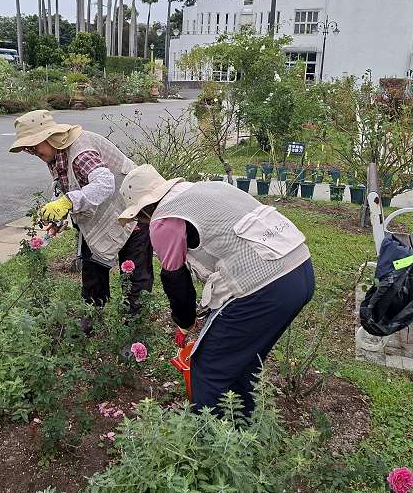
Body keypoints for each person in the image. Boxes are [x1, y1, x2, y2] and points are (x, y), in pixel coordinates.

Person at [117, 164, 315, 416]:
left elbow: (176, 280)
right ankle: (242, 430)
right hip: (300, 270)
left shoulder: (164, 220)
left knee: (207, 369)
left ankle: (212, 444)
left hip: (264, 286)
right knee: (241, 362)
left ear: (144, 209)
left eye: (138, 218)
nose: (142, 223)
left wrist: (185, 322)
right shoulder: (210, 188)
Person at [9, 110, 153, 321]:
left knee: (134, 271)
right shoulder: (55, 154)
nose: (31, 151)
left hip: (132, 210)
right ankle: (92, 315)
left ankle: (136, 325)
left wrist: (68, 201)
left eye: (34, 144)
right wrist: (60, 214)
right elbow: (66, 183)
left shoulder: (81, 151)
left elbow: (104, 183)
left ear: (50, 136)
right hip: (104, 213)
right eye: (27, 148)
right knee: (92, 266)